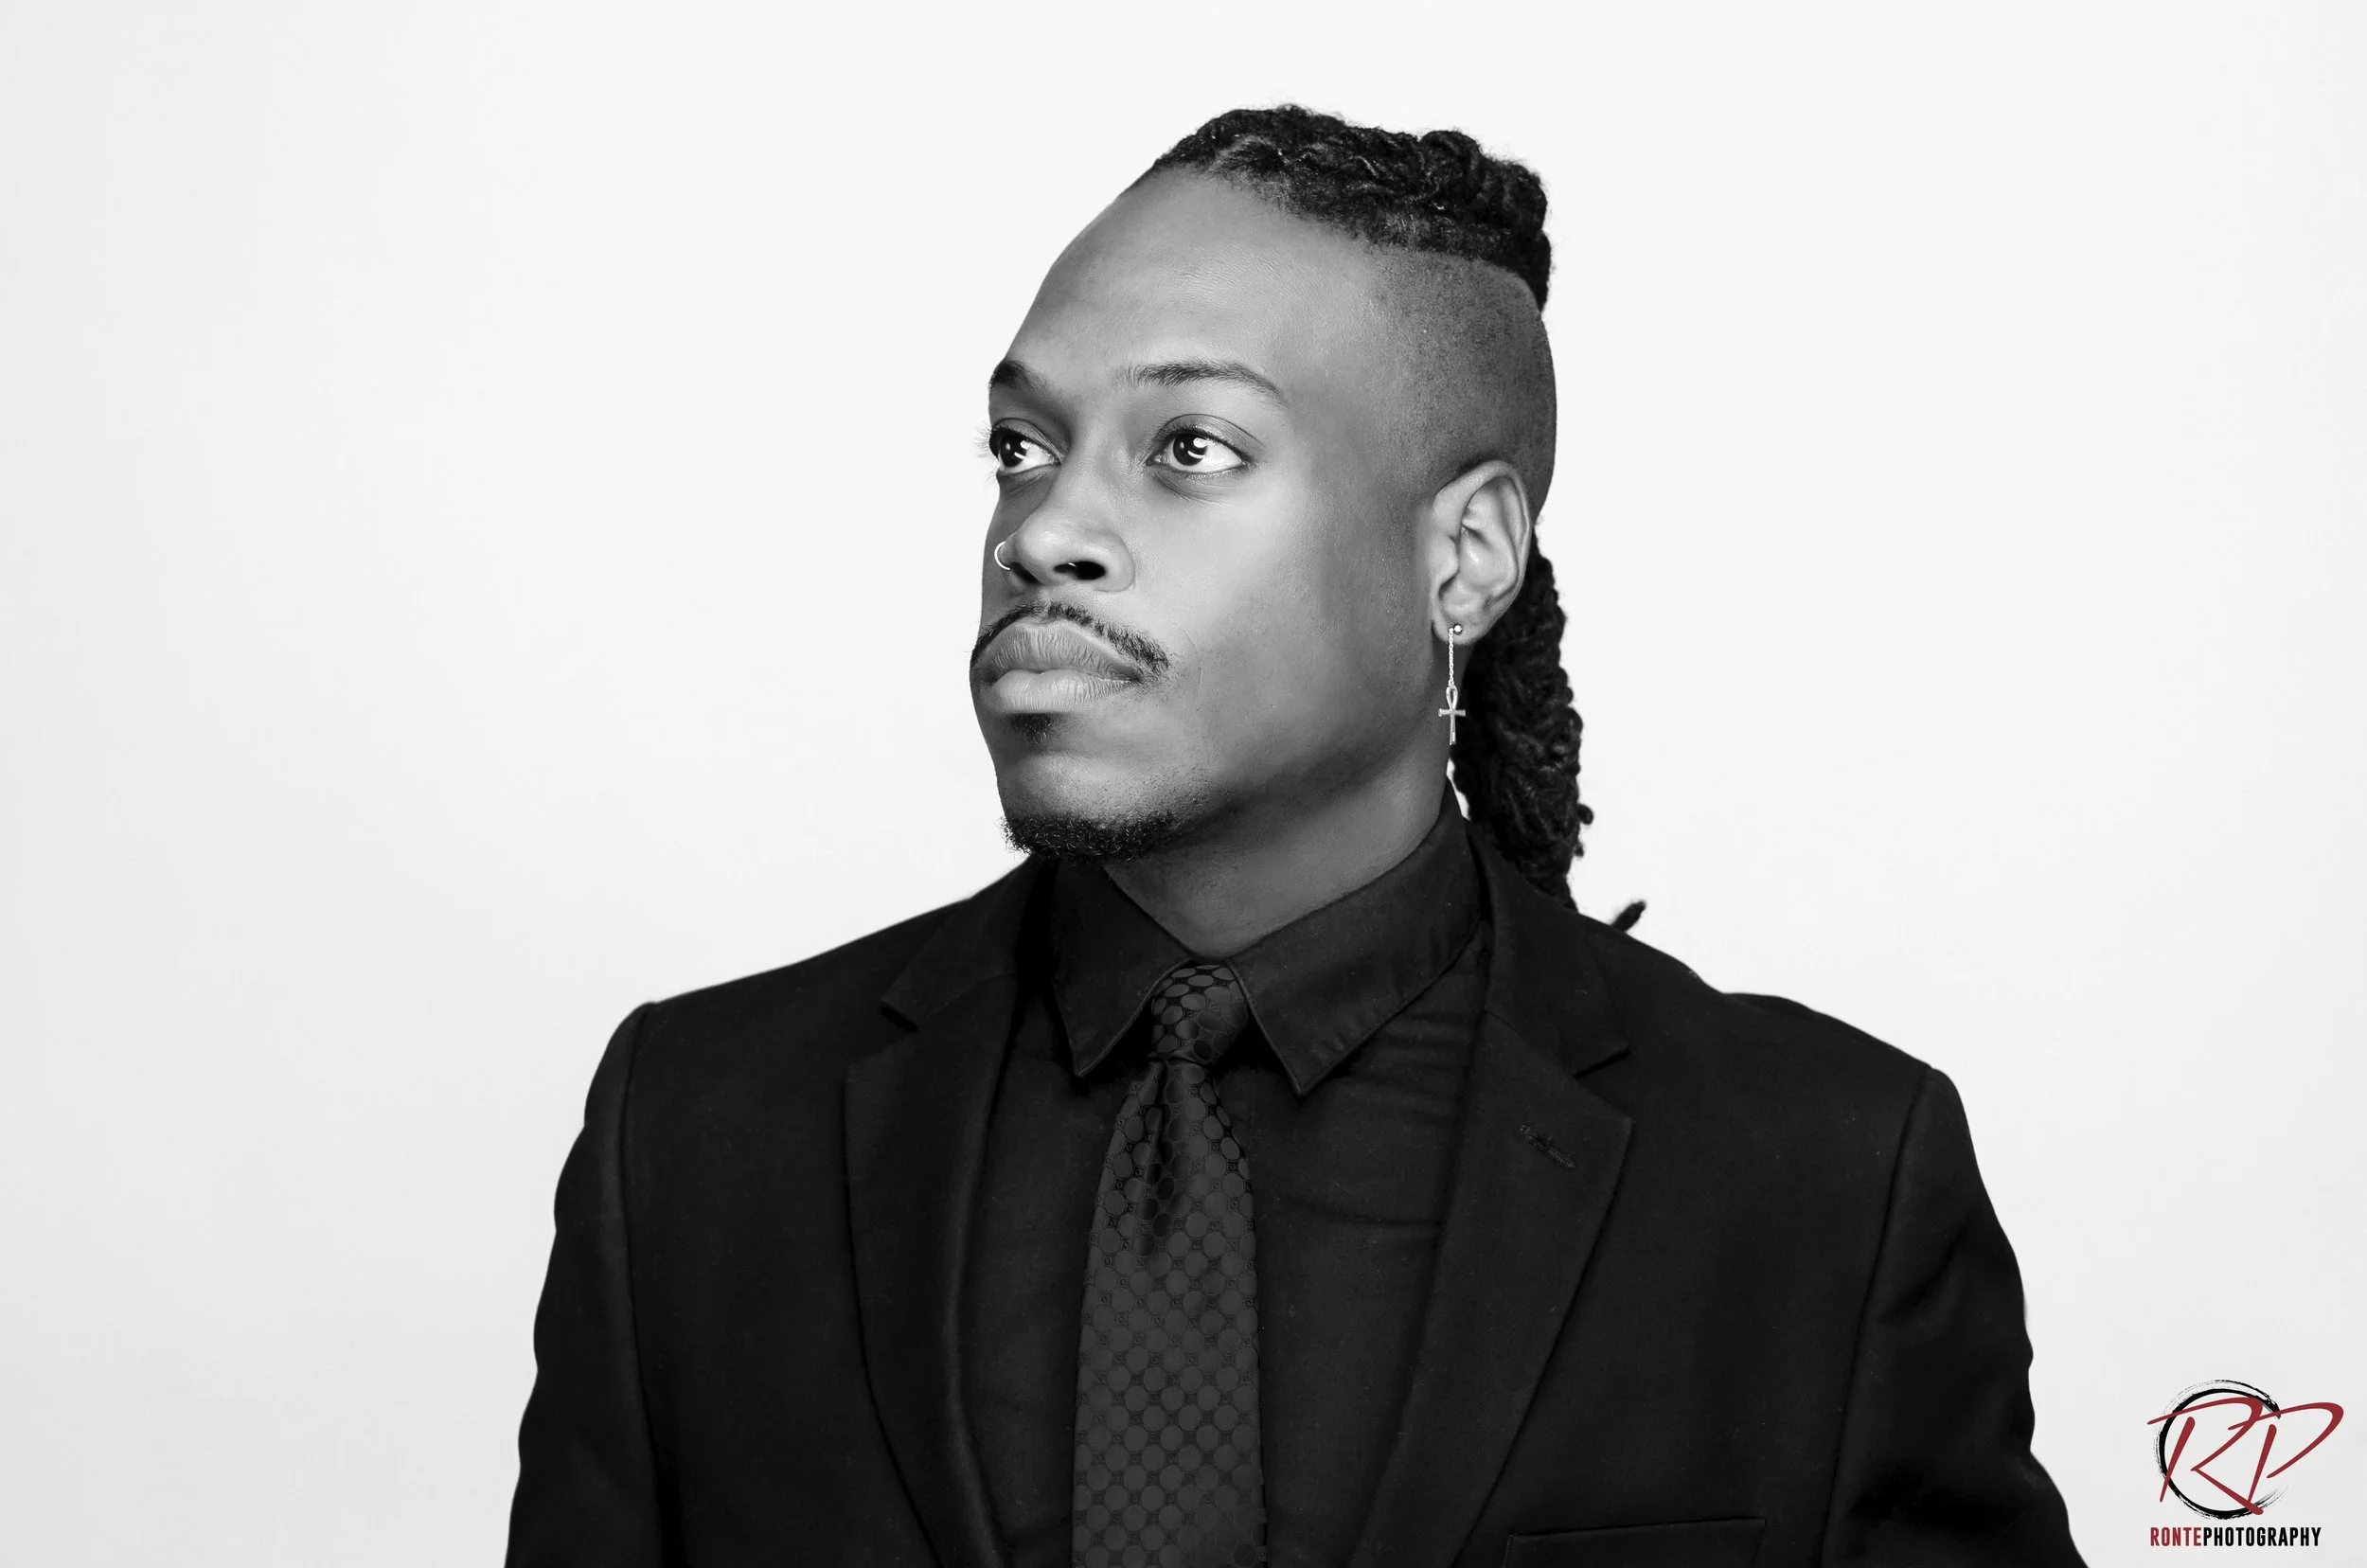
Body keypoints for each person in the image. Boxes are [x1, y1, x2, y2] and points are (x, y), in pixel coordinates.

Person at [507, 105, 2085, 1568]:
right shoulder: (698, 1141)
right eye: (1020, 446)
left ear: (1464, 558)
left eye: (1190, 447)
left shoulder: (1820, 1185)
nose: (1042, 529)